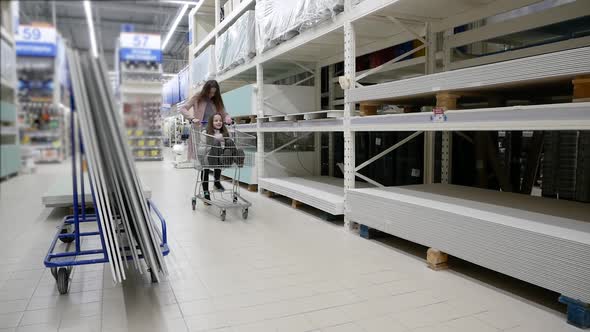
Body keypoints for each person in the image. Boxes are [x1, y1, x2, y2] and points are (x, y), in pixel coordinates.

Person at [179, 80, 232, 161]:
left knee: (214, 153)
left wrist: (227, 117)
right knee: (202, 155)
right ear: (205, 90)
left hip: (213, 132)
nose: (212, 95)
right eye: (210, 92)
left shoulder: (216, 100)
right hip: (200, 132)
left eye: (214, 93)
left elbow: (223, 113)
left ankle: (229, 157)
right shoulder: (197, 97)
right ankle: (205, 171)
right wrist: (192, 118)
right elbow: (183, 109)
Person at [201, 113, 233, 204]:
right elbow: (201, 148)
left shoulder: (225, 133)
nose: (218, 122)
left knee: (229, 142)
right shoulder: (205, 133)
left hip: (220, 157)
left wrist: (224, 141)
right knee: (205, 169)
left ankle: (216, 182)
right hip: (207, 157)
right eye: (216, 120)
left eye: (220, 120)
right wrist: (215, 143)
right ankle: (206, 193)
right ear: (211, 122)